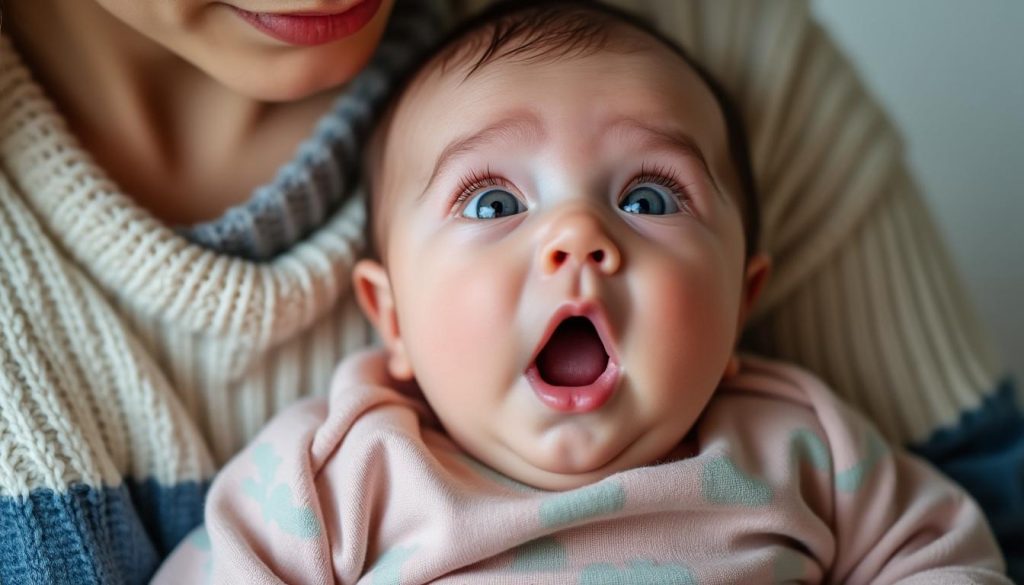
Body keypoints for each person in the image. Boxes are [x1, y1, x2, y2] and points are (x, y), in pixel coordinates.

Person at [2, 0, 1021, 583]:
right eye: (493, 205)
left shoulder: (806, 447)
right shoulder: (341, 480)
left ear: (745, 296)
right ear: (387, 315)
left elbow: (958, 556)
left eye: (649, 196)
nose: (578, 237)